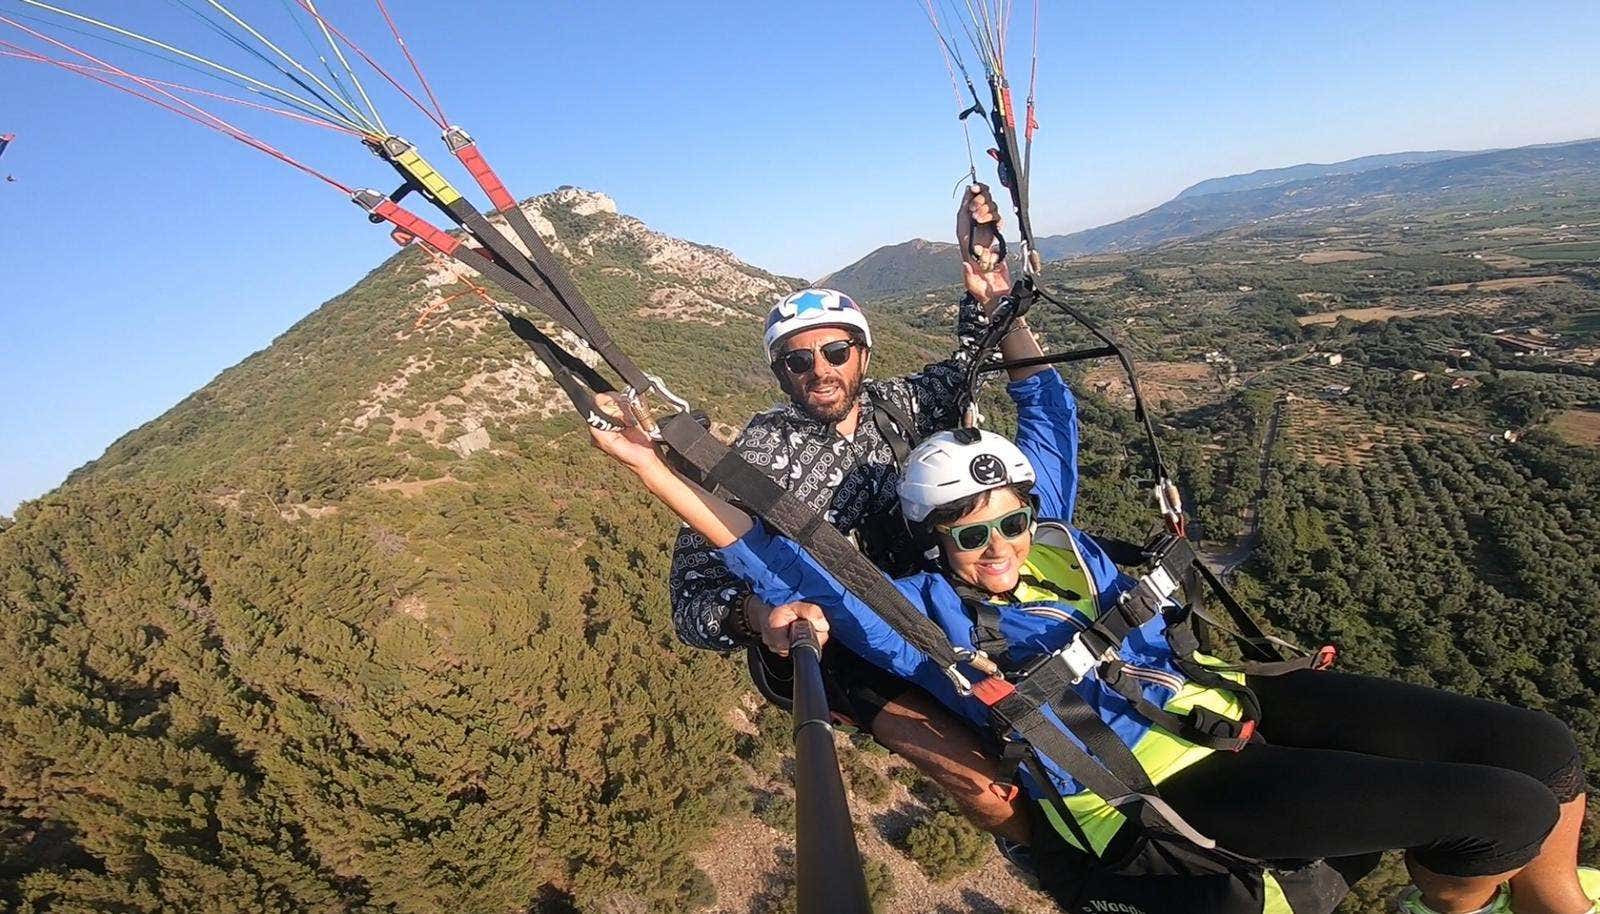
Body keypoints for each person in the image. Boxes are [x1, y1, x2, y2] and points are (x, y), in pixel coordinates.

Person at [592, 259, 1595, 914]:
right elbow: (768, 552)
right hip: (1167, 784)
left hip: (1224, 700)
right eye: (966, 531)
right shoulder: (922, 618)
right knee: (1502, 815)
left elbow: (1043, 410)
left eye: (1007, 520)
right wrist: (654, 466)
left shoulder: (1059, 539)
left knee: (1547, 755)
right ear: (934, 539)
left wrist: (1002, 304)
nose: (995, 544)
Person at [666, 188, 1037, 843]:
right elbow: (693, 592)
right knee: (979, 779)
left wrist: (985, 284)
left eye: (835, 352)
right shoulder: (761, 455)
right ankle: (1044, 852)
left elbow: (970, 361)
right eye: (798, 361)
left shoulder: (899, 405)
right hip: (847, 640)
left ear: (862, 354)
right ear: (781, 374)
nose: (820, 371)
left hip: (938, 598)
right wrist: (755, 617)